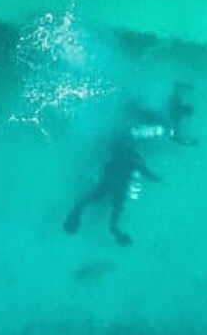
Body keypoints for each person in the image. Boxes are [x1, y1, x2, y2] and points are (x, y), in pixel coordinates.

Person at [63, 83, 196, 246]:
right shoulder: (120, 181)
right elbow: (142, 170)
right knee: (157, 130)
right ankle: (139, 106)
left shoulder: (121, 176)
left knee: (155, 129)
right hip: (120, 161)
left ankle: (142, 105)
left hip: (120, 161)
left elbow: (141, 168)